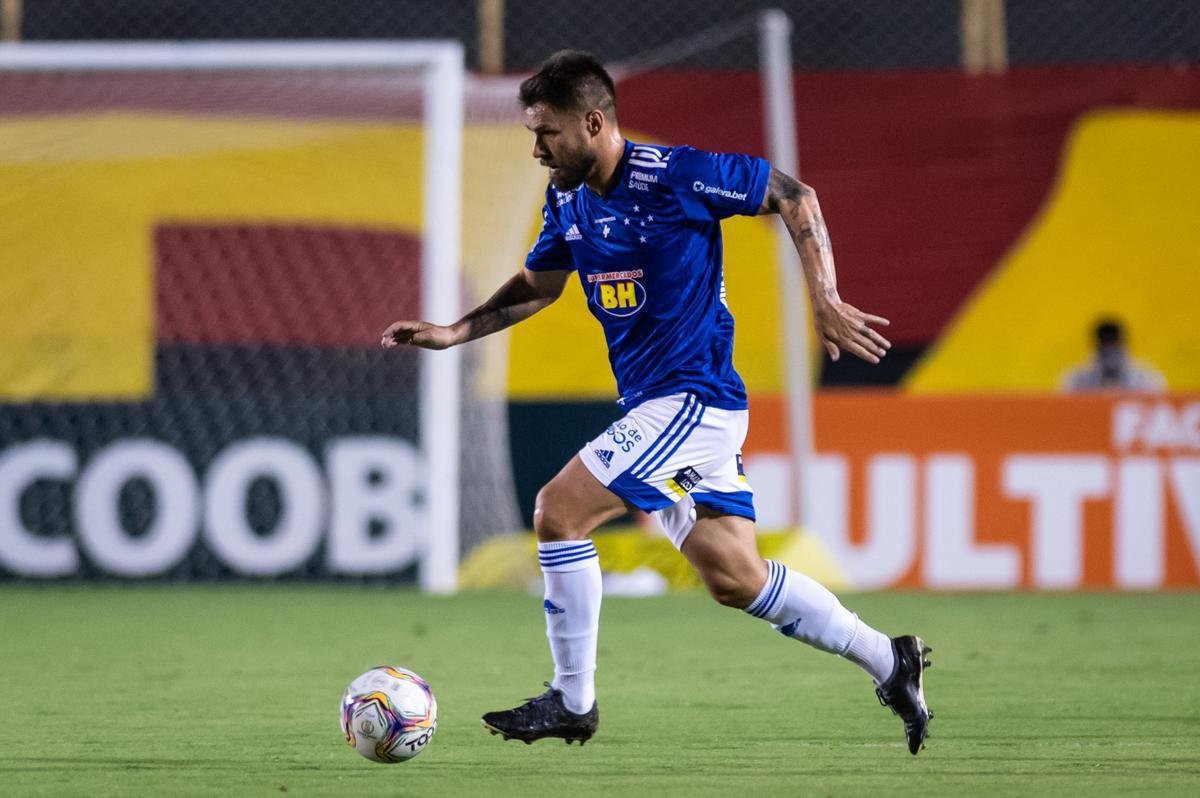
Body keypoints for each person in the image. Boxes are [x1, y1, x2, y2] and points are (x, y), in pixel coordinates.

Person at [382, 50, 933, 755]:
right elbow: (538, 284)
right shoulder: (567, 200)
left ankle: (572, 700)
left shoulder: (676, 175)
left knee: (558, 511)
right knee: (735, 577)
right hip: (660, 408)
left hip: (692, 400)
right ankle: (893, 661)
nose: (536, 148)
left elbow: (795, 196)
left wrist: (823, 297)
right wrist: (456, 330)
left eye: (546, 133)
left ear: (592, 122)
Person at [1060, 318, 1167, 392]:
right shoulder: (1078, 379)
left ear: (1123, 344)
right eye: (1104, 344)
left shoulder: (1144, 378)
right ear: (1095, 346)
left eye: (1113, 343)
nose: (1109, 350)